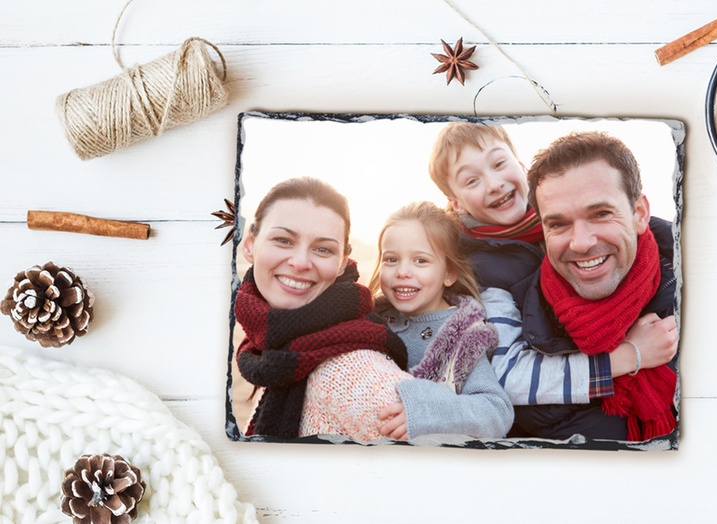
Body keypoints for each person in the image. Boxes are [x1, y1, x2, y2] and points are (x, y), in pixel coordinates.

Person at [429, 122, 677, 440]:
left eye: (499, 164)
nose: (493, 184)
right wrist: (628, 356)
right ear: (456, 203)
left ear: (520, 167)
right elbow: (507, 375)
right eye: (472, 180)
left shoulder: (650, 241)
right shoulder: (481, 272)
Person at [525, 130, 679, 441]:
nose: (581, 243)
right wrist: (630, 356)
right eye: (558, 224)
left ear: (639, 214)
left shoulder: (705, 287)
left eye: (601, 214)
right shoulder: (516, 321)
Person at [234, 177, 411, 442]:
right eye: (283, 240)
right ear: (250, 245)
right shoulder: (281, 349)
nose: (301, 262)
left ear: (342, 263)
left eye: (322, 249)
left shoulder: (351, 374)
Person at [370, 201, 513, 440]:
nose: (402, 271)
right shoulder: (371, 318)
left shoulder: (461, 338)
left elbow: (497, 411)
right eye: (391, 259)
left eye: (420, 261)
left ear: (449, 273)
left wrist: (427, 413)